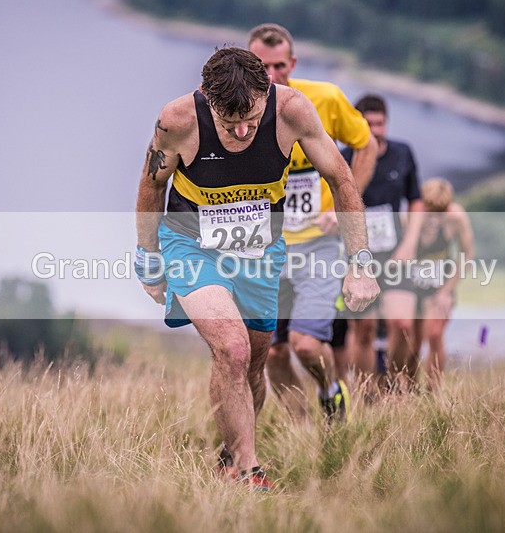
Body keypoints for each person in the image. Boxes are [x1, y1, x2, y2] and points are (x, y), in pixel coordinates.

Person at [134, 47, 379, 489]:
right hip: (191, 245)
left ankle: (229, 456)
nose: (244, 131)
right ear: (209, 103)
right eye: (230, 126)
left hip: (261, 251)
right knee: (232, 346)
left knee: (253, 360)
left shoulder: (292, 111)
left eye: (251, 119)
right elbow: (152, 183)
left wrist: (359, 262)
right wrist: (149, 258)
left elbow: (342, 179)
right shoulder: (178, 120)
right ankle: (249, 471)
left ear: (266, 92)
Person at [248, 23, 378, 423]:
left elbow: (366, 144)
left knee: (306, 344)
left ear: (293, 63)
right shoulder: (239, 107)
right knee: (271, 350)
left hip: (319, 245)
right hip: (267, 248)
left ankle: (328, 389)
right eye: (261, 66)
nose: (271, 77)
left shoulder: (323, 98)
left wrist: (343, 202)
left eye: (279, 66)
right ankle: (300, 429)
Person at [338, 94, 424, 395]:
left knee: (402, 323)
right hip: (357, 257)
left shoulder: (402, 153)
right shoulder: (343, 158)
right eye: (368, 123)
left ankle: (393, 381)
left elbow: (416, 199)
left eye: (380, 123)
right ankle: (367, 392)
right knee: (363, 329)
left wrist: (410, 243)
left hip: (396, 253)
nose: (375, 130)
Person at [412, 178, 474, 390]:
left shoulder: (456, 217)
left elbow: (467, 255)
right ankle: (408, 387)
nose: (434, 215)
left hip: (440, 283)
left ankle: (432, 389)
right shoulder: (412, 213)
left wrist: (447, 291)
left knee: (435, 334)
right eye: (430, 209)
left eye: (440, 210)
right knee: (413, 339)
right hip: (413, 282)